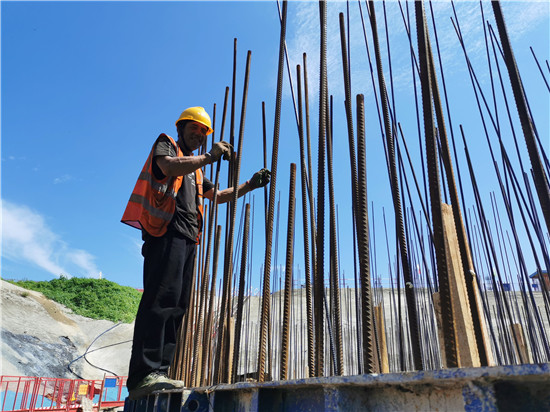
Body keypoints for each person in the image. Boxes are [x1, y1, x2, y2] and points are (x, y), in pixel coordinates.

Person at [121, 106, 270, 399]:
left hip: (189, 239)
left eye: (203, 131)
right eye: (194, 128)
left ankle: (159, 371)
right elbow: (167, 167)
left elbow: (219, 196)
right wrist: (211, 156)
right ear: (181, 128)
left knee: (178, 305)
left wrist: (249, 185)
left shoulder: (197, 171)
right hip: (165, 233)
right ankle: (143, 374)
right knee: (159, 301)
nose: (199, 134)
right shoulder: (167, 144)